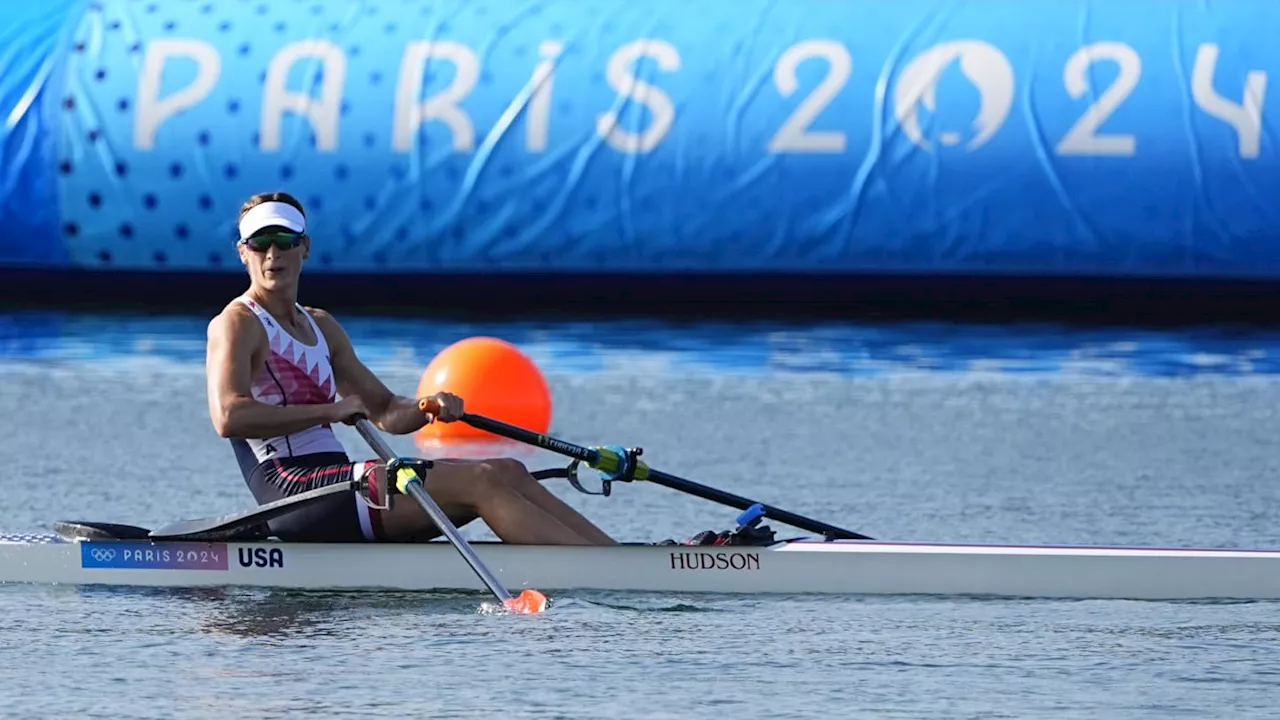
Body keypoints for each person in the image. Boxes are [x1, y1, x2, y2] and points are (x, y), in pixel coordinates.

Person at [204, 190, 616, 545]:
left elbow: (384, 411)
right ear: (243, 253)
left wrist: (426, 408)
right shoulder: (238, 323)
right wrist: (330, 411)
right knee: (483, 481)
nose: (272, 253)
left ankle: (618, 558)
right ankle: (604, 572)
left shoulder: (321, 325)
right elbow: (228, 417)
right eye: (259, 243)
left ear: (305, 247)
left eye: (284, 240)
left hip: (336, 481)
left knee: (508, 469)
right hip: (292, 494)